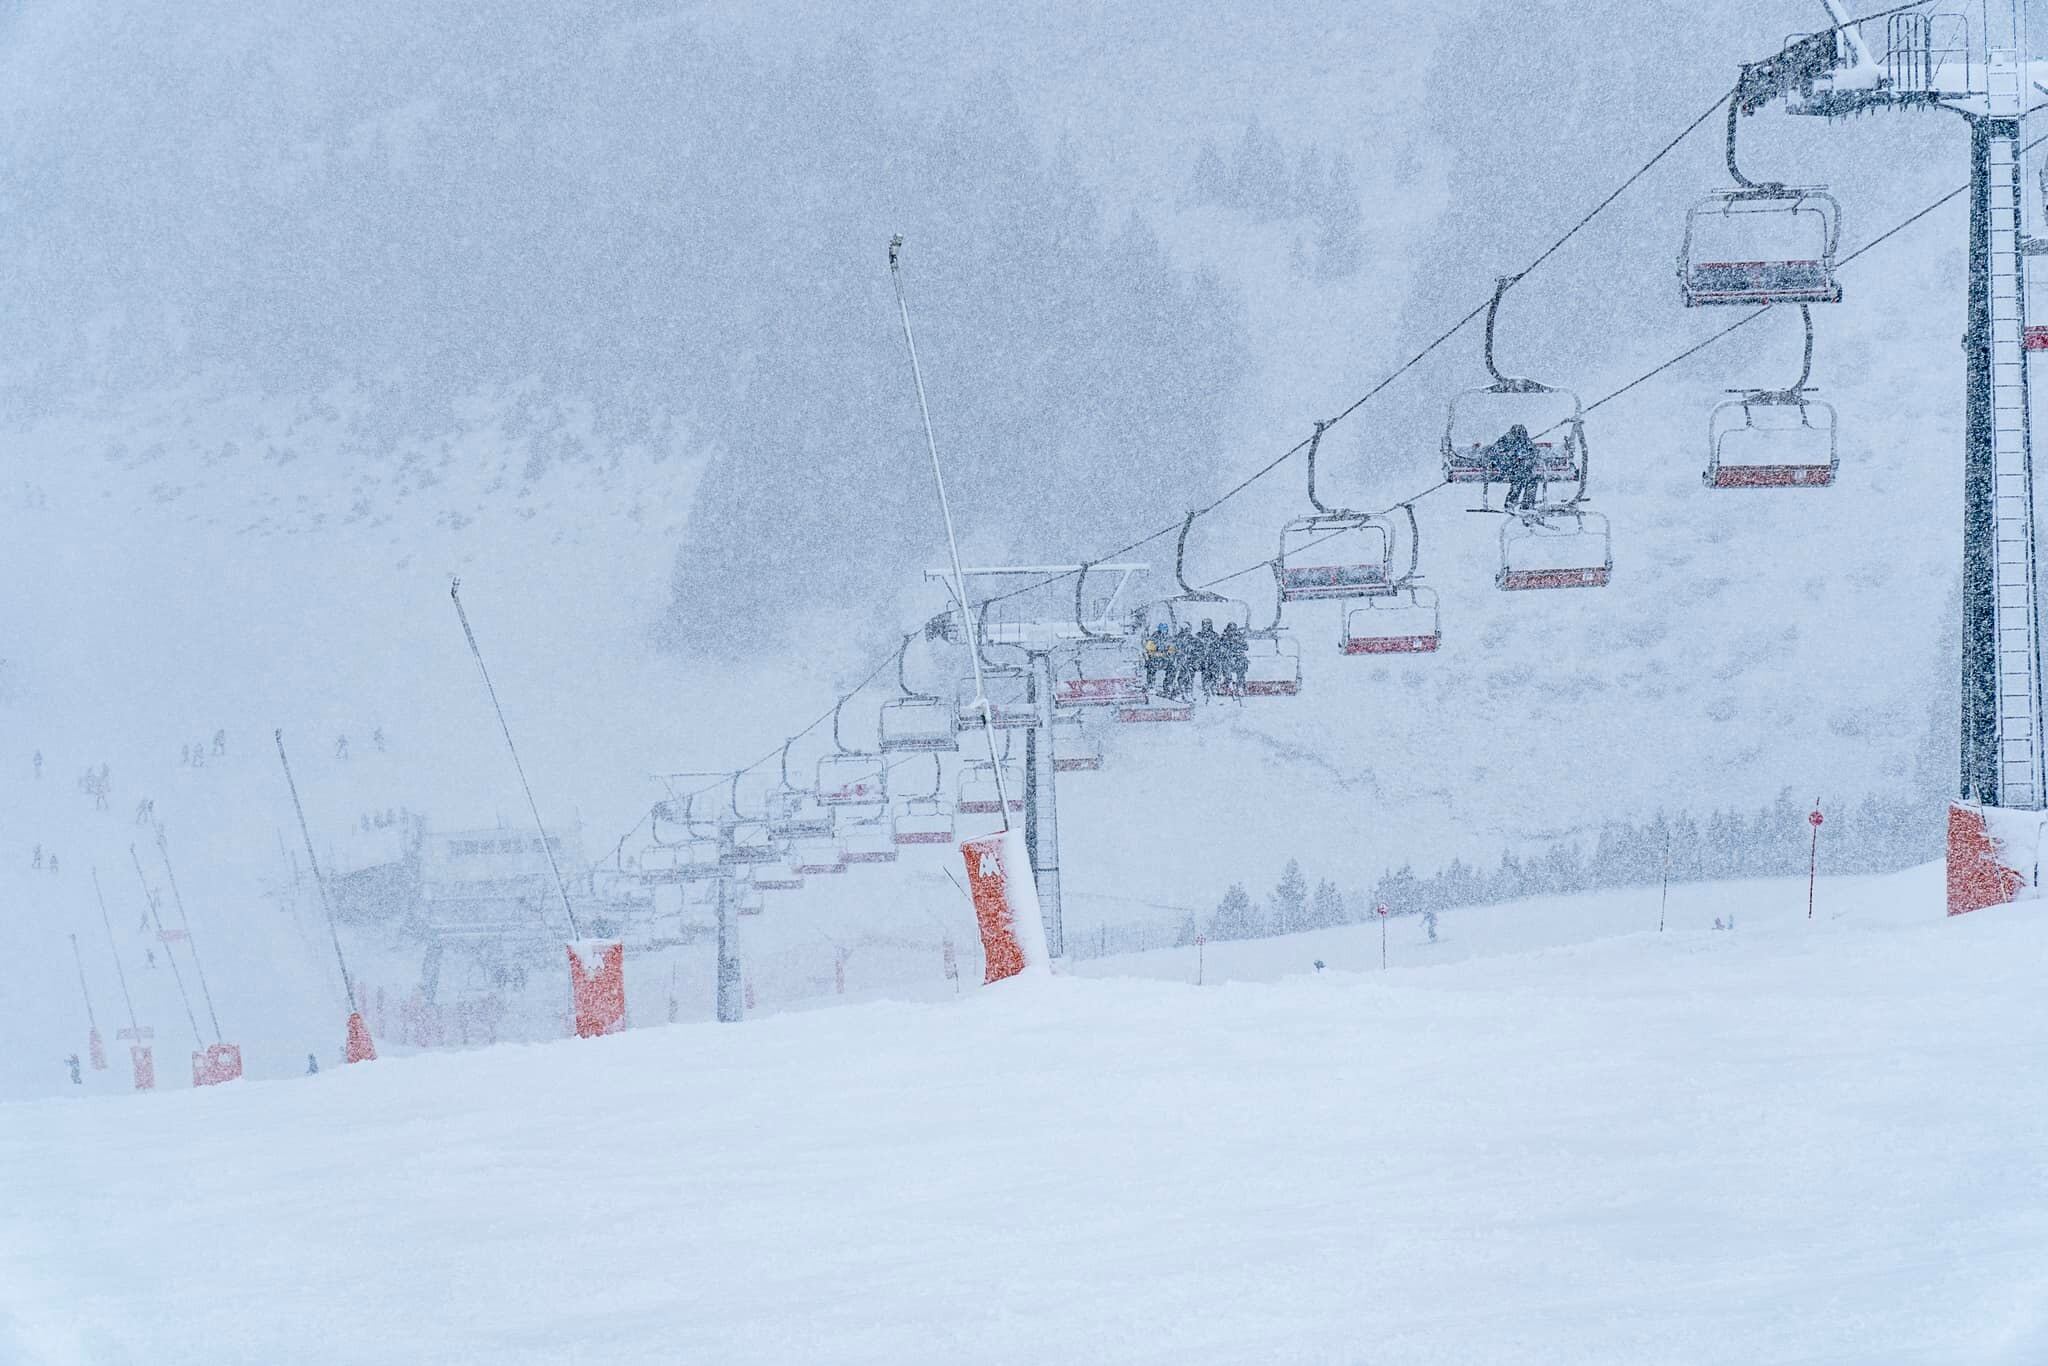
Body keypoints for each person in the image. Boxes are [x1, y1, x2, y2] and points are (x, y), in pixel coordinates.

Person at [1487, 422, 1542, 512]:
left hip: (1520, 469)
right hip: (1508, 469)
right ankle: (1514, 503)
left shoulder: (1524, 441)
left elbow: (1533, 452)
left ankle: (1524, 504)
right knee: (1520, 479)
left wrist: (1527, 459)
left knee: (1530, 480)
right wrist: (1511, 459)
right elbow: (1495, 455)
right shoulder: (1505, 441)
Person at [1193, 619, 1224, 698]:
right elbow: (1195, 647)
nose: (1205, 626)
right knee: (1205, 671)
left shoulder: (1215, 635)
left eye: (1207, 624)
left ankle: (1214, 686)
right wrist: (1199, 654)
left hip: (1212, 657)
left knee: (1214, 671)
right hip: (1202, 658)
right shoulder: (1199, 635)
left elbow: (1218, 647)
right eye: (1204, 624)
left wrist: (1215, 653)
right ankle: (1206, 687)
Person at [1220, 623, 1250, 696]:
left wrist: (1239, 643)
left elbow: (1246, 647)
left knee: (1241, 667)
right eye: (1230, 630)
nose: (1232, 632)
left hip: (1238, 658)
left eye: (1233, 630)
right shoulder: (1223, 638)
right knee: (1225, 666)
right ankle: (1229, 684)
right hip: (1227, 658)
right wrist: (1226, 651)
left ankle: (1240, 687)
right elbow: (1220, 649)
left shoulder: (1239, 637)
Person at [1142, 622, 1173, 693]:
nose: (1164, 632)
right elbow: (1149, 650)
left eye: (1165, 630)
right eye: (1163, 630)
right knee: (1151, 667)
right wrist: (1158, 654)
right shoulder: (1154, 638)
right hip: (1155, 659)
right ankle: (1150, 684)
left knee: (1172, 668)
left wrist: (1169, 653)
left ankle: (1168, 685)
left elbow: (1172, 649)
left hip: (1165, 660)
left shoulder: (1169, 638)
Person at [1169, 624, 1198, 698]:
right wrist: (1174, 655)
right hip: (1179, 659)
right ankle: (1175, 690)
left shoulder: (1192, 639)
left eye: (1188, 630)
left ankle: (1188, 691)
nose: (1186, 632)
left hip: (1188, 661)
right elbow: (1172, 648)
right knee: (1176, 674)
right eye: (1185, 630)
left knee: (1188, 675)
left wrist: (1193, 656)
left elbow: (1196, 649)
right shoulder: (1177, 638)